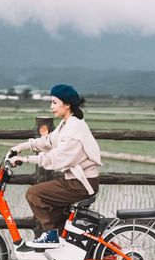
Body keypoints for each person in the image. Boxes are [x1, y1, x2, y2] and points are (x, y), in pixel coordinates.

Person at [9, 84, 101, 248]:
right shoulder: (67, 124)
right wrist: (21, 146)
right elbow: (48, 141)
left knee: (34, 194)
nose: (51, 107)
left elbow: (57, 158)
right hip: (76, 181)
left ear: (67, 104)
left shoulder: (74, 129)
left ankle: (51, 236)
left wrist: (26, 160)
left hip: (81, 184)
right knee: (55, 214)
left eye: (54, 103)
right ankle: (65, 248)